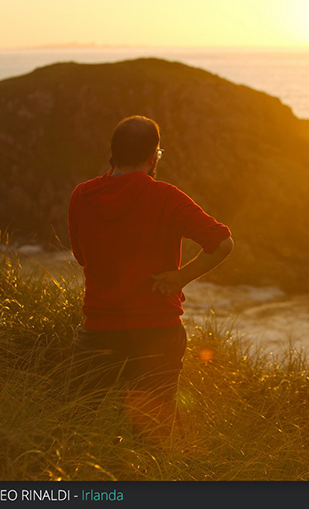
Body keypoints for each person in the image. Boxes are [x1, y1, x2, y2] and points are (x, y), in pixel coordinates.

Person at [67, 115, 233, 445]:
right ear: (152, 155)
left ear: (112, 153)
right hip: (157, 331)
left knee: (76, 426)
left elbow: (82, 257)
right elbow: (222, 243)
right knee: (152, 437)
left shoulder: (82, 196)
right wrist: (179, 278)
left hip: (99, 328)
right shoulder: (166, 197)